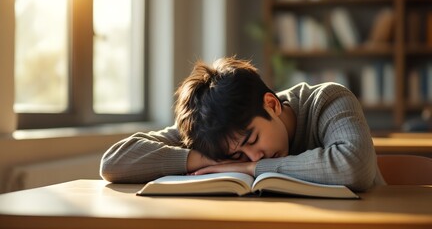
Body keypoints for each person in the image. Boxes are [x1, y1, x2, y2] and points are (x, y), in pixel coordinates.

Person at [100, 56, 385, 192]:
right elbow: (114, 162)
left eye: (251, 140)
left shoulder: (328, 99)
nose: (253, 155)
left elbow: (354, 166)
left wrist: (247, 168)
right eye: (237, 155)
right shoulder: (219, 131)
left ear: (271, 105)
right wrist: (204, 158)